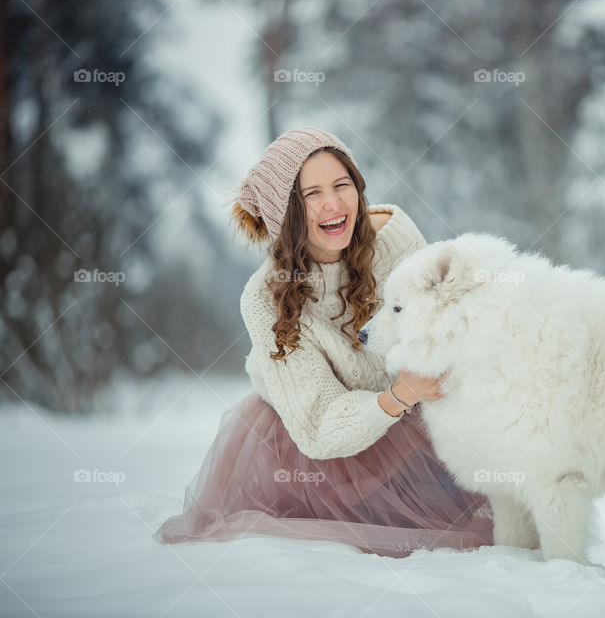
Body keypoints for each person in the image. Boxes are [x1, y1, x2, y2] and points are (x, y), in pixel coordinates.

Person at [153, 128, 493, 558]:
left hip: (409, 423)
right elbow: (319, 425)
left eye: (342, 185)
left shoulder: (394, 238)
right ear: (287, 213)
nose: (333, 204)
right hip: (320, 454)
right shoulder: (265, 299)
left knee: (477, 505)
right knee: (380, 537)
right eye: (312, 194)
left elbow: (443, 328)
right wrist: (398, 395)